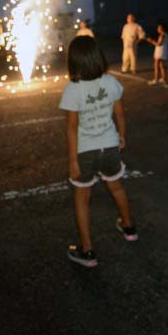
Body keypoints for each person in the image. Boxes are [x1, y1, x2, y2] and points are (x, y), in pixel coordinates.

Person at [60, 36, 138, 268]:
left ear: (73, 62)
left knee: (82, 198)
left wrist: (73, 161)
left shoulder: (73, 89)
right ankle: (129, 228)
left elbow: (72, 128)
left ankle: (88, 251)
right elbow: (121, 114)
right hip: (110, 147)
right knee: (116, 187)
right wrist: (121, 136)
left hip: (85, 152)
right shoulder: (111, 82)